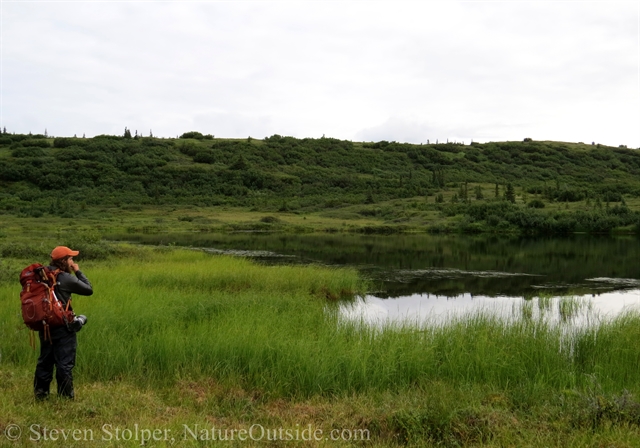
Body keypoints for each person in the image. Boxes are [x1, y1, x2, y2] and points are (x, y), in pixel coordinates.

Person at [33, 246, 93, 400]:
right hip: (63, 325)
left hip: (45, 324)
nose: (72, 261)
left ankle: (41, 393)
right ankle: (65, 397)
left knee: (45, 359)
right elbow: (88, 289)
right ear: (64, 260)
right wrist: (77, 271)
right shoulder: (65, 277)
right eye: (70, 258)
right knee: (64, 363)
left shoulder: (42, 274)